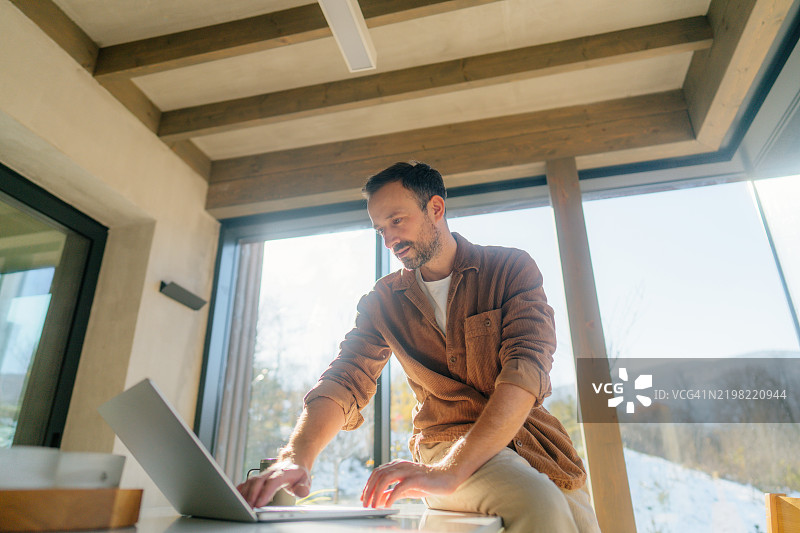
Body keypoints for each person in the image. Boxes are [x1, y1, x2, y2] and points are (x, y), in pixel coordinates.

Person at [237, 162, 601, 532]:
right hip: (445, 444)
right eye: (381, 229)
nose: (389, 239)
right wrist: (295, 457)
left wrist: (450, 474)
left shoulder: (510, 268)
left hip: (539, 445)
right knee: (540, 505)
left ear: (436, 209)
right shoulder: (382, 302)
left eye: (397, 221)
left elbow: (526, 370)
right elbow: (346, 379)